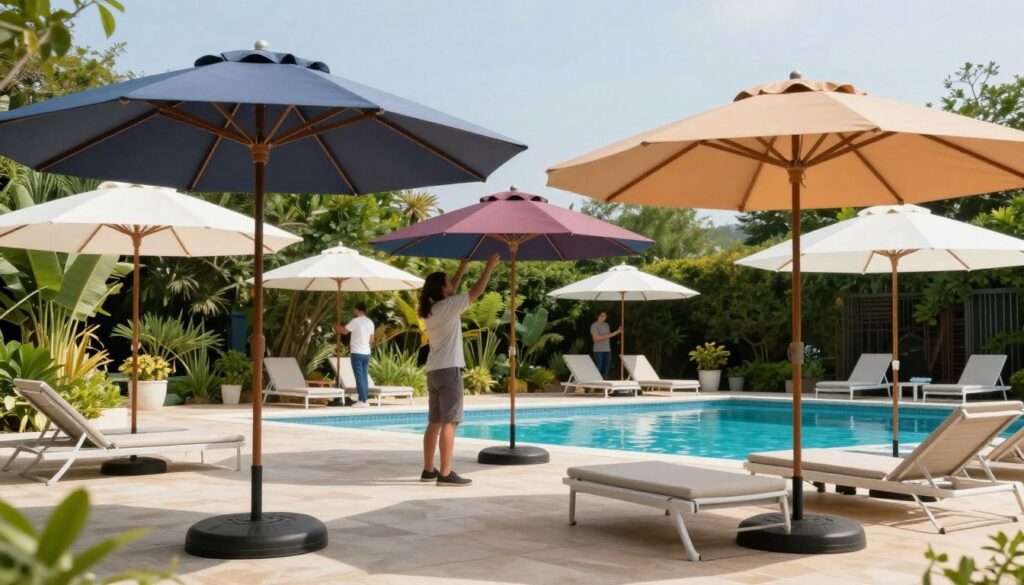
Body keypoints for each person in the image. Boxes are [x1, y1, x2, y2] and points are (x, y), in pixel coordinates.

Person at [419, 253, 500, 486]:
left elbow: (450, 290)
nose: (452, 284)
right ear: (442, 288)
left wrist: (462, 267)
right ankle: (445, 473)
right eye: (449, 282)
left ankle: (428, 470)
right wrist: (489, 266)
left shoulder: (432, 309)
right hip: (448, 371)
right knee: (450, 422)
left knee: (434, 423)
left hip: (433, 372)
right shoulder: (448, 307)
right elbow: (476, 292)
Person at [334, 302, 374, 408]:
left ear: (357, 310)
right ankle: (365, 399)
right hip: (366, 352)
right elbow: (371, 339)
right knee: (364, 376)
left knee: (359, 376)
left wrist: (336, 327)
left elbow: (345, 331)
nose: (354, 311)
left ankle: (361, 400)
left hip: (357, 352)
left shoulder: (355, 321)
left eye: (354, 309)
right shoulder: (370, 322)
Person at [590, 311, 622, 379]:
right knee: (598, 367)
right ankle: (594, 385)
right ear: (598, 316)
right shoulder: (594, 325)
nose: (604, 317)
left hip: (607, 350)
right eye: (602, 315)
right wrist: (607, 336)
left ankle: (603, 386)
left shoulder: (606, 325)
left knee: (605, 369)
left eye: (605, 316)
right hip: (598, 350)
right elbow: (595, 338)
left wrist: (617, 332)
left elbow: (608, 336)